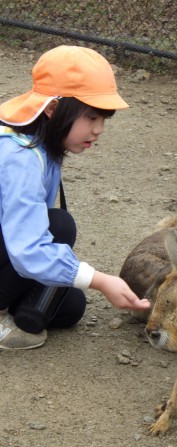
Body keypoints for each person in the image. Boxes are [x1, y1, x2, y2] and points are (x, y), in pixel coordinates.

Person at [0, 45, 150, 350]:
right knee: (60, 226)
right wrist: (101, 280)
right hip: (14, 249)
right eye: (91, 117)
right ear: (54, 109)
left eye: (104, 119)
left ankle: (18, 312)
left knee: (71, 306)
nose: (98, 130)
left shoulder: (41, 142)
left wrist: (82, 278)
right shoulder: (19, 157)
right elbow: (27, 248)